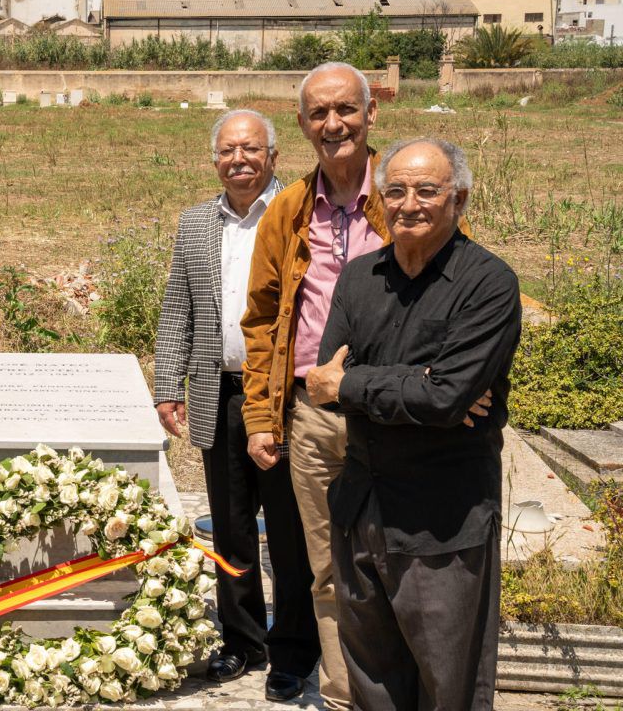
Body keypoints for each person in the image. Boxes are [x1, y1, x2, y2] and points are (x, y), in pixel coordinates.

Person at [306, 138, 520, 710]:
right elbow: (322, 386)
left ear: (460, 199)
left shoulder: (488, 284)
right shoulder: (358, 278)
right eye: (395, 190)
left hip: (440, 526)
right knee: (373, 683)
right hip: (362, 507)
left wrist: (362, 384)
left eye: (428, 190)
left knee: (447, 687)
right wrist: (419, 382)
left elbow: (445, 398)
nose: (410, 204)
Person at [154, 110, 319, 702]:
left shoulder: (302, 213)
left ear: (274, 156)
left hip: (280, 395)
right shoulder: (197, 222)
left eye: (251, 148)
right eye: (228, 150)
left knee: (290, 525)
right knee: (229, 527)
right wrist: (168, 382)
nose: (239, 159)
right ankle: (244, 640)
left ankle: (295, 650)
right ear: (214, 158)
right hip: (217, 389)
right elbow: (179, 307)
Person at [240, 61, 388, 710]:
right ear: (302, 125)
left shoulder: (406, 192)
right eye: (319, 114)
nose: (334, 124)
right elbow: (264, 319)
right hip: (311, 414)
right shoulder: (289, 211)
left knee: (394, 561)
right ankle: (341, 694)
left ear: (370, 112)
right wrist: (261, 417)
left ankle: (398, 689)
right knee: (326, 568)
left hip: (394, 410)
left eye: (345, 109)